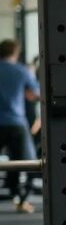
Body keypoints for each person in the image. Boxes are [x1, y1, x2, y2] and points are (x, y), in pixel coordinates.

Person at [0, 39, 40, 213]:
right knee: (28, 162)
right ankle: (21, 200)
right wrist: (31, 73)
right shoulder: (22, 71)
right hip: (16, 123)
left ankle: (16, 194)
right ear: (16, 53)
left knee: (18, 162)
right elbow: (36, 95)